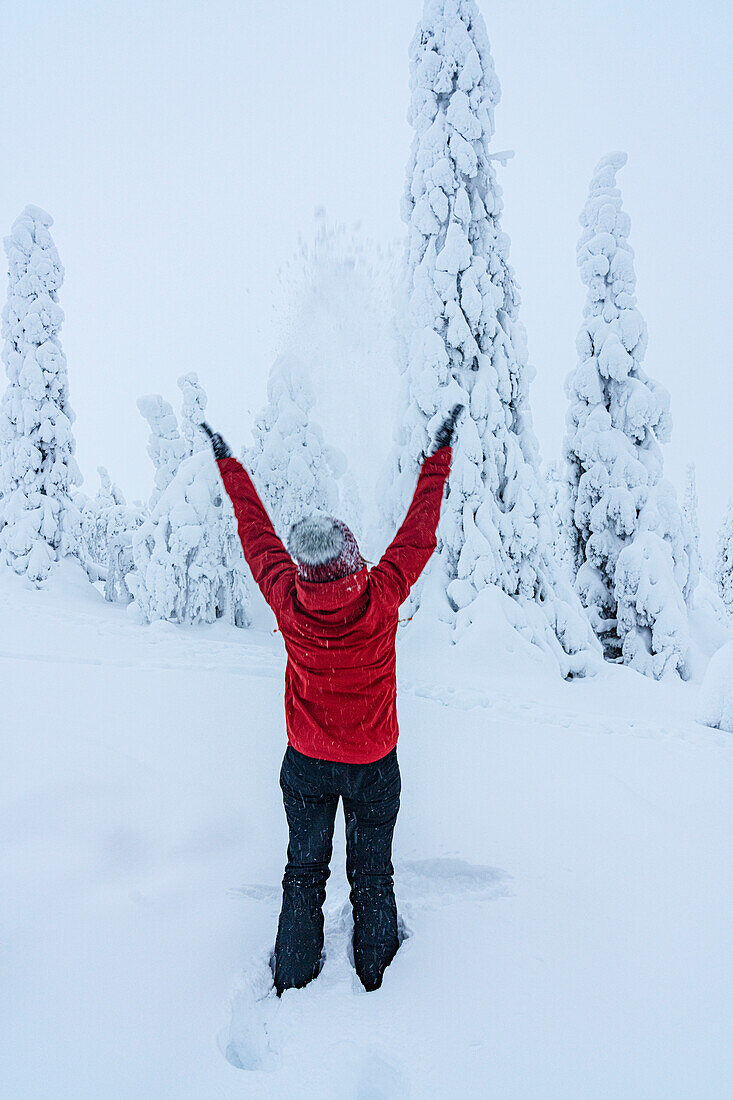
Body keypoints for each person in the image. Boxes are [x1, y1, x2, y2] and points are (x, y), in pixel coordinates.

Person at [201, 406, 460, 994]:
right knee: (372, 874)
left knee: (303, 874)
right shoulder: (383, 594)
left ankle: (293, 981)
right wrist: (437, 457)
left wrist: (228, 461)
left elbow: (255, 532)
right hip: (373, 764)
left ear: (305, 566)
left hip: (308, 764)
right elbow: (418, 532)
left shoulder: (287, 600)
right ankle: (381, 977)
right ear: (348, 556)